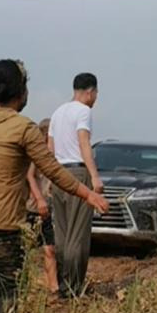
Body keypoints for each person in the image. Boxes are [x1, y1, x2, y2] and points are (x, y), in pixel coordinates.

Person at [0, 59, 108, 313]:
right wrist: (89, 193)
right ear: (21, 91)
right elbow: (52, 169)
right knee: (7, 297)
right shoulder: (22, 128)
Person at [48, 72, 104, 298]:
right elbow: (84, 143)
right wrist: (95, 177)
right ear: (90, 92)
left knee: (61, 234)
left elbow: (49, 149)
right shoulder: (84, 111)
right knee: (77, 234)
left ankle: (62, 285)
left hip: (58, 173)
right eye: (96, 93)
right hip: (77, 173)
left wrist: (51, 178)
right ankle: (73, 287)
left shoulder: (57, 112)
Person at [25, 118, 58, 294]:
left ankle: (53, 287)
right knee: (24, 249)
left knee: (50, 248)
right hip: (32, 208)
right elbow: (29, 176)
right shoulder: (35, 155)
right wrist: (39, 199)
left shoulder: (53, 156)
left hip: (48, 209)